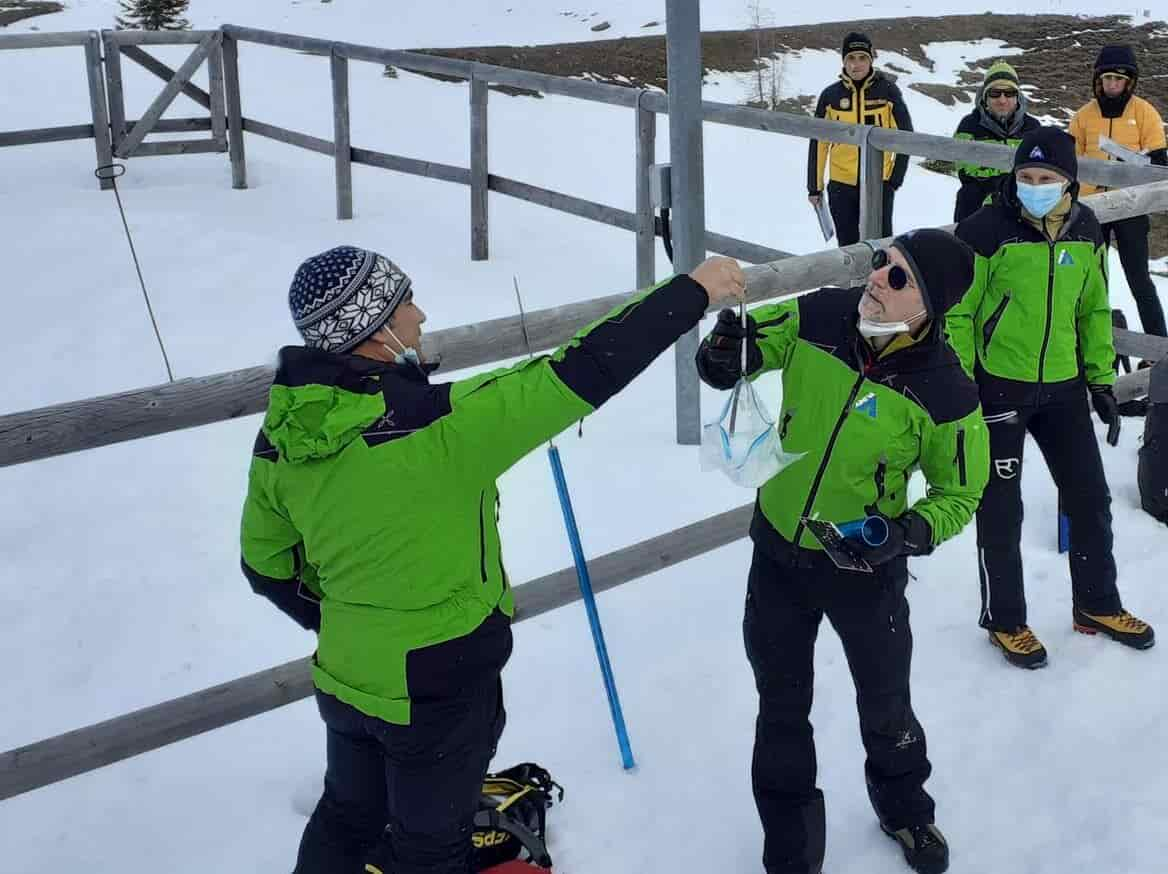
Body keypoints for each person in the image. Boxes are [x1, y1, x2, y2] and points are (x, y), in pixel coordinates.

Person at [239, 245, 745, 873]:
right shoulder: (437, 426)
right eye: (403, 305)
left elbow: (265, 565)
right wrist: (692, 292)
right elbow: (580, 370)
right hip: (437, 686)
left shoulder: (281, 436)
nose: (420, 316)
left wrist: (350, 621)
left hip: (344, 677)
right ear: (370, 330)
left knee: (348, 817)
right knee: (432, 852)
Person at [696, 229, 989, 874]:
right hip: (778, 551)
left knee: (886, 702)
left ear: (930, 306)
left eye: (898, 277)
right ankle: (791, 849)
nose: (877, 281)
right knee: (781, 702)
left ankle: (906, 809)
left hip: (864, 568)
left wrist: (908, 534)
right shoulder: (821, 314)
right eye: (879, 263)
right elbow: (751, 344)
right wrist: (727, 354)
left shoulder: (946, 394)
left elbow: (961, 491)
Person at [950, 126, 1155, 669]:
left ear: (1070, 183)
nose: (1033, 186)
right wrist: (965, 385)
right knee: (1001, 509)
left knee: (1090, 498)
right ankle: (1005, 619)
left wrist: (1100, 380)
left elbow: (1092, 307)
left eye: (1046, 178)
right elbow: (959, 313)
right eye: (1025, 177)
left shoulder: (1087, 229)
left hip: (1063, 389)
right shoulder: (984, 231)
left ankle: (1096, 603)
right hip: (998, 386)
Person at [1069, 44, 1168, 338]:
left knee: (1139, 278)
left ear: (1130, 81)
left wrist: (1137, 162)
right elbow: (1068, 162)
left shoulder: (1145, 112)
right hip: (1092, 207)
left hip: (1131, 206)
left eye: (1119, 78)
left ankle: (1159, 348)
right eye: (1107, 78)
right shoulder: (1083, 116)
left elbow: (1160, 161)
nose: (1112, 84)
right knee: (1090, 279)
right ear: (1098, 80)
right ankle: (1084, 342)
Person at [807, 31, 913, 246]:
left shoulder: (888, 91)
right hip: (841, 186)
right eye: (851, 58)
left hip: (879, 184)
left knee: (881, 248)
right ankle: (853, 283)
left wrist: (893, 180)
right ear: (844, 61)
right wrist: (814, 187)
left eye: (862, 58)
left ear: (871, 59)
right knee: (848, 250)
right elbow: (818, 143)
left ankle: (877, 282)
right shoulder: (830, 96)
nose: (856, 64)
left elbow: (906, 136)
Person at [952, 61, 1040, 221]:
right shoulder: (969, 125)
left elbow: (1041, 168)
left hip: (1023, 210)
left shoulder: (1033, 128)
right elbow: (964, 168)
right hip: (975, 210)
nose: (1002, 100)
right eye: (995, 93)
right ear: (985, 97)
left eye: (1009, 93)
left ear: (1018, 96)